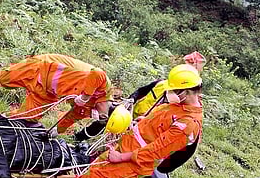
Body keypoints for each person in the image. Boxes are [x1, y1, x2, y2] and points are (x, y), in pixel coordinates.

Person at [65, 64, 203, 178]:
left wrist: (121, 157)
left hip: (133, 160)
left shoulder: (188, 124)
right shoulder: (179, 104)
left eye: (174, 90)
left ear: (187, 91)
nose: (170, 93)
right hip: (126, 145)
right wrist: (144, 121)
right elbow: (161, 119)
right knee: (94, 171)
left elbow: (156, 150)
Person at [74, 51, 205, 142]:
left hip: (144, 126)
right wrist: (131, 99)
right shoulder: (161, 83)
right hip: (130, 114)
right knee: (105, 118)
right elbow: (141, 91)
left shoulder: (183, 102)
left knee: (120, 144)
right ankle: (80, 137)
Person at [0, 54, 113, 134]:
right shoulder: (104, 87)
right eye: (103, 117)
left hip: (47, 93)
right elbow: (98, 73)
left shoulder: (90, 110)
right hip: (43, 68)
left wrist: (58, 130)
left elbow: (72, 116)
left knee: (27, 118)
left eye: (102, 121)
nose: (99, 117)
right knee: (4, 80)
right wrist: (85, 96)